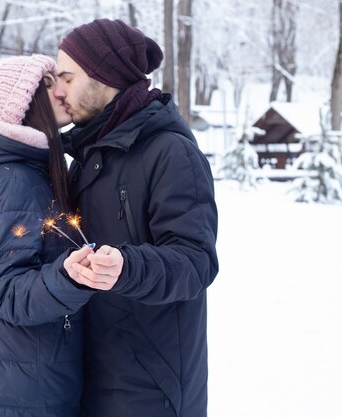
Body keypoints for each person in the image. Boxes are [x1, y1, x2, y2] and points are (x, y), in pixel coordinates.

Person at [52, 19, 220, 417]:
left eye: (67, 78)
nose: (59, 91)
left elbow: (197, 261)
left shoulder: (170, 152)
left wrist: (128, 267)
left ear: (104, 78)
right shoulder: (89, 154)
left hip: (150, 388)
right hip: (95, 375)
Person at [0, 54, 96, 417]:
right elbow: (11, 294)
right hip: (10, 397)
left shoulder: (30, 173)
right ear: (19, 103)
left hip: (25, 387)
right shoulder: (11, 181)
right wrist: (69, 277)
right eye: (47, 84)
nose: (63, 91)